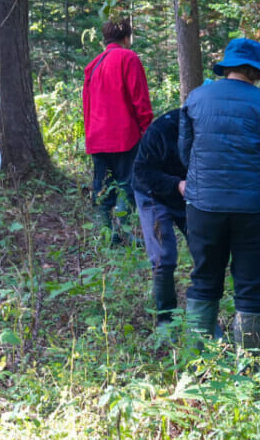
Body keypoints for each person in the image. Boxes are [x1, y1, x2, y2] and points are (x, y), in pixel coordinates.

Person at [180, 37, 260, 350]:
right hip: (252, 207)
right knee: (251, 283)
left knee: (203, 277)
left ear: (227, 66)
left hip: (204, 205)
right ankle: (249, 362)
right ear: (255, 71)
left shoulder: (197, 97)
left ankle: (197, 358)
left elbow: (185, 152)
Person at [82, 18, 154, 245]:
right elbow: (139, 98)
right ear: (127, 38)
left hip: (97, 136)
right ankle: (123, 232)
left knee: (103, 185)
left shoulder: (93, 65)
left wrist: (90, 134)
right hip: (124, 135)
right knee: (127, 184)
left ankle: (105, 233)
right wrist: (146, 129)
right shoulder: (128, 58)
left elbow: (87, 104)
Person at [132, 108, 188, 332]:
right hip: (152, 192)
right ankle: (165, 320)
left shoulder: (217, 131)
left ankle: (203, 319)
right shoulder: (163, 130)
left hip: (188, 196)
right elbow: (140, 172)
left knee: (205, 250)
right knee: (164, 257)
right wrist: (176, 184)